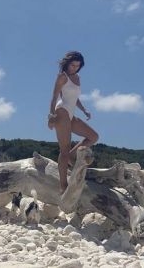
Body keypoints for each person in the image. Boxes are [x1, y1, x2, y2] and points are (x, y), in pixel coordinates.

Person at [47, 51, 99, 194]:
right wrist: (51, 117)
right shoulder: (62, 77)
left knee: (93, 137)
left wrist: (84, 110)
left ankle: (72, 156)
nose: (74, 68)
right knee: (64, 150)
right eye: (72, 65)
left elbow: (74, 98)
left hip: (71, 114)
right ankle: (63, 186)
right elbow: (54, 97)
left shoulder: (77, 77)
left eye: (77, 66)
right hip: (61, 112)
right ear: (67, 63)